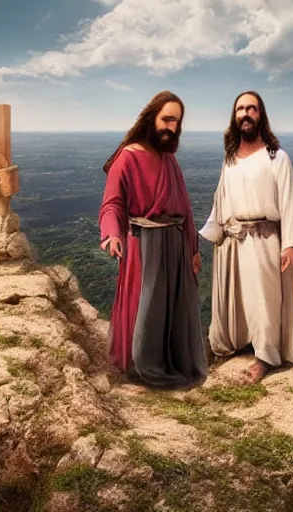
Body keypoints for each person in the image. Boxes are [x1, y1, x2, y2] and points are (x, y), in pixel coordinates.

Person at [98, 90, 207, 389]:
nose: (172, 127)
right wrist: (111, 235)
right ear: (152, 118)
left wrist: (193, 248)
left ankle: (170, 362)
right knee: (146, 306)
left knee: (173, 307)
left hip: (175, 245)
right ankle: (143, 366)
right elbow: (112, 204)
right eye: (167, 119)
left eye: (177, 122)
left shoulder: (170, 160)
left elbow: (184, 208)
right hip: (144, 245)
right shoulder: (128, 157)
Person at [199, 90, 293, 384]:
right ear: (234, 117)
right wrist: (216, 233)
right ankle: (235, 345)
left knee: (263, 300)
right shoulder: (230, 159)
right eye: (240, 109)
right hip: (233, 239)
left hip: (264, 238)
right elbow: (220, 198)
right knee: (236, 299)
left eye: (252, 109)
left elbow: (289, 201)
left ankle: (265, 357)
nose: (246, 114)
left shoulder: (277, 158)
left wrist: (291, 245)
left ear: (261, 115)